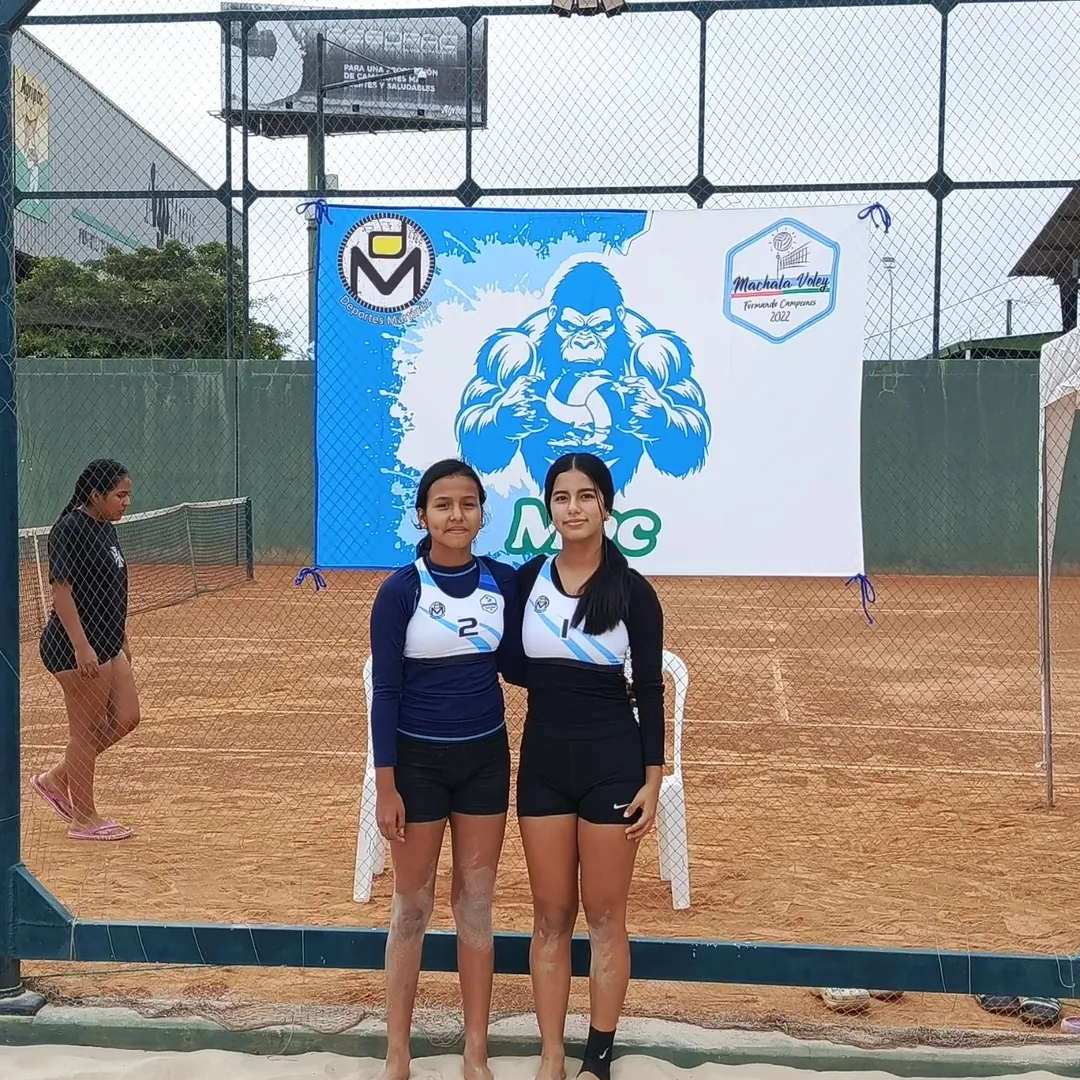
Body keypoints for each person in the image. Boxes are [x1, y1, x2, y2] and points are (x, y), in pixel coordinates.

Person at [370, 458, 523, 1080]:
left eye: (467, 504)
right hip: (418, 766)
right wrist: (387, 786)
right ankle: (398, 1051)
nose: (456, 516)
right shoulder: (400, 590)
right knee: (412, 906)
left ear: (483, 514)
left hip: (485, 760)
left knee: (477, 905)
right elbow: (386, 692)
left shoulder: (505, 582)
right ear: (423, 515)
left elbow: (520, 664)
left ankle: (476, 1050)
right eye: (443, 505)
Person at [515, 452, 665, 1080]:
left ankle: (595, 1059)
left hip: (612, 764)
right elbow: (506, 664)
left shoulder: (632, 592)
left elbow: (651, 689)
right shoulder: (526, 580)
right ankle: (551, 1055)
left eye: (585, 495)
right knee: (550, 917)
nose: (572, 507)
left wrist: (653, 780)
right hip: (543, 763)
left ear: (607, 504)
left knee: (605, 917)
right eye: (560, 496)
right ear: (546, 507)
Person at [30, 459, 139, 842]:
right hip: (75, 649)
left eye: (128, 495)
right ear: (95, 495)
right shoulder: (70, 529)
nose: (126, 502)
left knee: (127, 717)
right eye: (120, 496)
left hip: (108, 643)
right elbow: (62, 591)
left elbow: (111, 587)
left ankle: (58, 778)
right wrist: (81, 646)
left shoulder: (105, 528)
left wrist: (120, 633)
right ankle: (83, 818)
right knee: (86, 733)